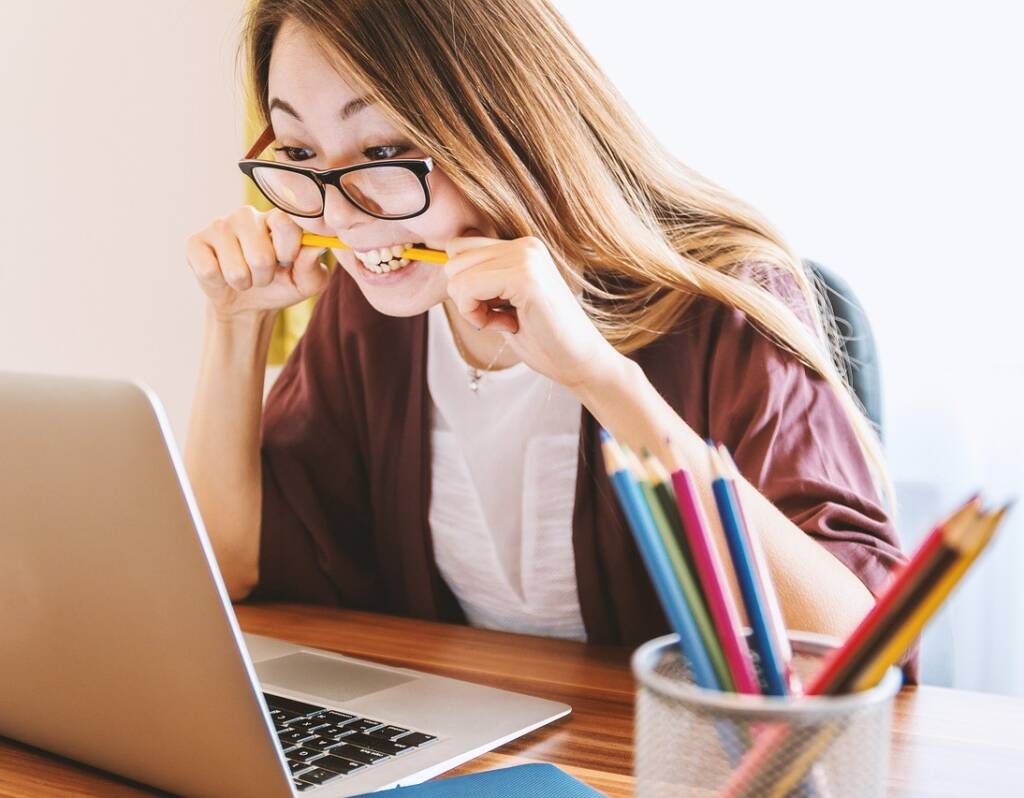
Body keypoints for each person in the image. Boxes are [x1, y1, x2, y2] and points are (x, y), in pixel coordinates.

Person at [184, 0, 910, 665]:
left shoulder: (722, 302)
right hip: (475, 751)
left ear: (503, 124)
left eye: (382, 152)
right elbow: (228, 564)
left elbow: (859, 651)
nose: (339, 217)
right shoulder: (373, 311)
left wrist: (600, 377)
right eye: (301, 154)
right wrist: (236, 324)